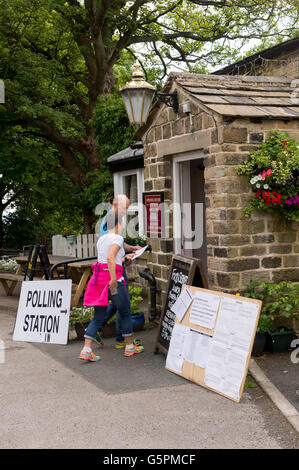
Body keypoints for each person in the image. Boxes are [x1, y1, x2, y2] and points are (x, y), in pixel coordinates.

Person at [79, 212, 144, 361]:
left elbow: (108, 258)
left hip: (99, 279)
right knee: (125, 311)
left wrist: (125, 257)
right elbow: (110, 257)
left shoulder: (101, 239)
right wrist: (114, 279)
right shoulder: (118, 237)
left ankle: (86, 349)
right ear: (117, 224)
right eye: (121, 223)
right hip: (114, 280)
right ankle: (129, 347)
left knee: (98, 316)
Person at [94, 194, 142, 349]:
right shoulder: (109, 220)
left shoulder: (116, 219)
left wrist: (132, 248)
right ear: (116, 205)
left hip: (115, 267)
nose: (127, 211)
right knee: (123, 303)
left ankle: (108, 332)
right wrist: (123, 259)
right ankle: (120, 338)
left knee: (117, 303)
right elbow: (109, 249)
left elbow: (118, 243)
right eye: (125, 207)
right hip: (113, 270)